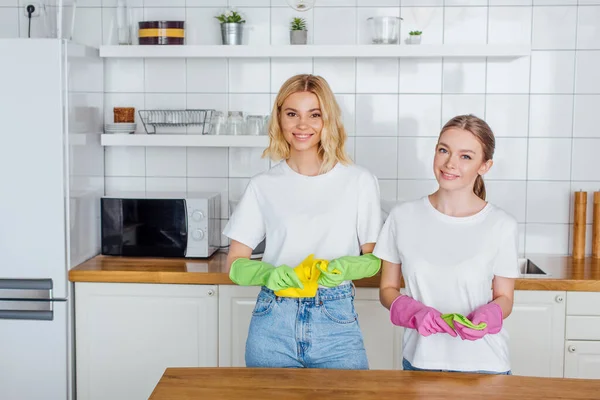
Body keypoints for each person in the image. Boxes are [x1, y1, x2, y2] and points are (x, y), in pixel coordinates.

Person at [223, 74, 382, 369]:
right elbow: (234, 264)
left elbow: (373, 260)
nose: (302, 125)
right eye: (292, 113)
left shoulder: (359, 181)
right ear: (279, 118)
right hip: (272, 320)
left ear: (328, 120)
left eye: (315, 115)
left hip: (335, 321)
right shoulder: (263, 185)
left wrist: (347, 266)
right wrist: (267, 275)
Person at [375, 114, 519, 375]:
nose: (450, 163)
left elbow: (505, 297)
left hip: (486, 367)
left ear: (484, 166)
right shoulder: (402, 217)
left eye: (466, 156)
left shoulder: (501, 224)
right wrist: (410, 311)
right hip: (421, 362)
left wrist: (489, 315)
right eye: (444, 150)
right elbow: (387, 288)